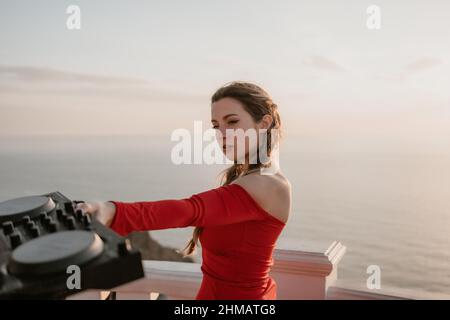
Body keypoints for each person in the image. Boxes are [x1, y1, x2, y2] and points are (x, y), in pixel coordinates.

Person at [77, 81, 291, 300]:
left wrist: (112, 211)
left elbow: (188, 210)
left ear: (263, 124)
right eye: (216, 126)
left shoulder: (268, 184)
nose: (222, 134)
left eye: (233, 122)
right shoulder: (247, 178)